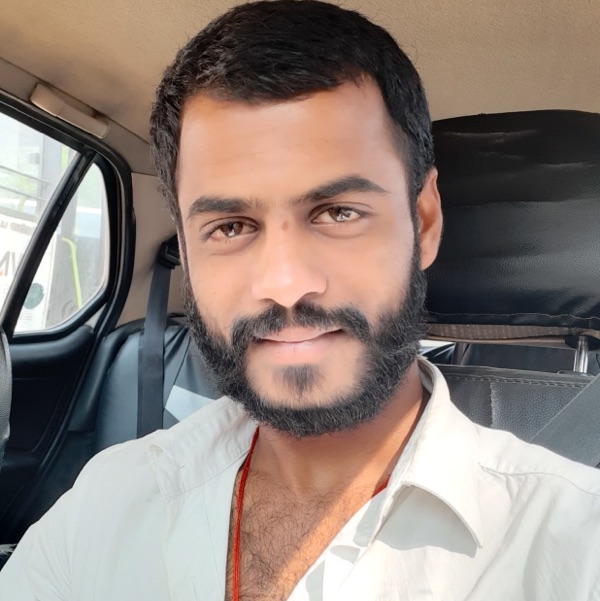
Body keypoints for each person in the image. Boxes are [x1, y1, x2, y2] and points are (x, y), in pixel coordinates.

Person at [1, 1, 600, 599]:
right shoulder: (108, 501)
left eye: (338, 213)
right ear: (185, 247)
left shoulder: (573, 544)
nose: (285, 284)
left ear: (423, 221)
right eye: (230, 226)